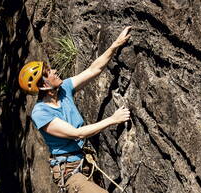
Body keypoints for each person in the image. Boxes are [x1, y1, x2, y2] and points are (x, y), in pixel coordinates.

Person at [18, 26, 132, 193]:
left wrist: (116, 44)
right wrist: (113, 119)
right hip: (69, 171)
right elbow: (76, 133)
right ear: (43, 86)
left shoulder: (64, 89)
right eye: (49, 72)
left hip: (85, 162)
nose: (55, 71)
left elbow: (94, 69)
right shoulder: (41, 113)